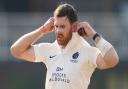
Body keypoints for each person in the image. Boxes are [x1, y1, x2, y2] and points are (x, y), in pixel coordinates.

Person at [10, 3, 119, 89]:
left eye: (62, 26)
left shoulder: (87, 51)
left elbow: (113, 60)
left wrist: (94, 35)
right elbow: (16, 50)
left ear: (74, 26)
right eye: (56, 26)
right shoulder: (49, 49)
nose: (58, 31)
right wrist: (42, 30)